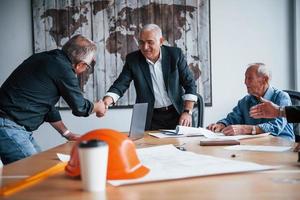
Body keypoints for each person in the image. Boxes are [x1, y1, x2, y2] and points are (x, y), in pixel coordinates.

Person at [0, 35, 107, 164]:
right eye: (88, 66)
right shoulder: (63, 68)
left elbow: (46, 105)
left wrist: (67, 133)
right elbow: (80, 107)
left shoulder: (46, 58)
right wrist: (98, 107)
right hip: (9, 126)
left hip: (13, 126)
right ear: (81, 64)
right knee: (35, 174)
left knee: (43, 167)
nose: (86, 69)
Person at [103, 24, 197, 130]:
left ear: (161, 41)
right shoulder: (133, 60)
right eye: (141, 43)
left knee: (183, 145)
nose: (145, 47)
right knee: (145, 146)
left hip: (177, 113)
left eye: (150, 42)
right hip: (149, 117)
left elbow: (190, 83)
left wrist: (187, 111)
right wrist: (108, 99)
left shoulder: (175, 55)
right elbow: (121, 83)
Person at [207, 63, 294, 141]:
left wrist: (246, 129)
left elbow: (276, 126)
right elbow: (232, 119)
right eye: (245, 78)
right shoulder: (245, 101)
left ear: (265, 79)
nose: (245, 82)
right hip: (255, 146)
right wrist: (221, 125)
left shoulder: (282, 97)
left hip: (281, 145)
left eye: (249, 78)